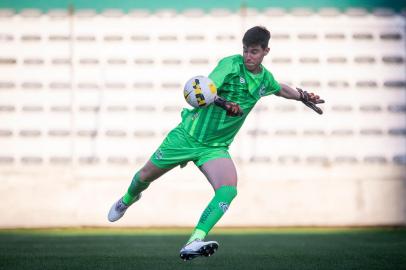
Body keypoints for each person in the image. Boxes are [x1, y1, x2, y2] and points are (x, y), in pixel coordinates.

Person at [108, 26, 324, 261]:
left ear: (265, 51)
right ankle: (128, 199)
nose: (248, 56)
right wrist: (224, 103)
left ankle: (194, 240)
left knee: (228, 189)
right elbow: (203, 88)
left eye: (253, 52)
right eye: (245, 50)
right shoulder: (230, 65)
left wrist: (302, 96)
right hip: (186, 136)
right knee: (143, 177)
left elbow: (279, 88)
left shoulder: (264, 79)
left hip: (215, 148)